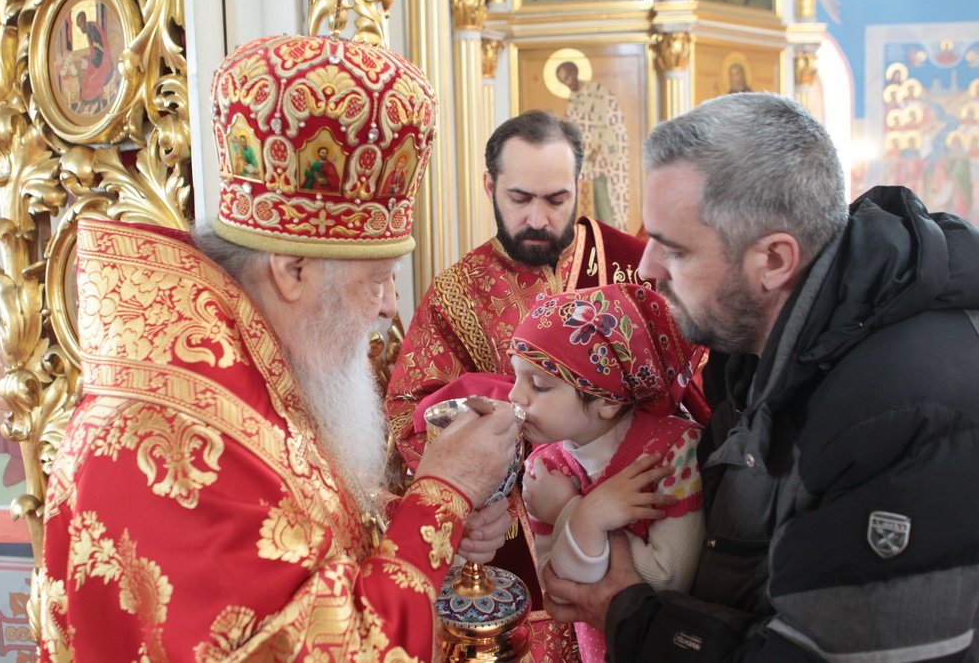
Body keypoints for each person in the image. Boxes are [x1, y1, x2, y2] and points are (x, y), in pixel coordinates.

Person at [38, 34, 522, 661]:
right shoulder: (171, 433)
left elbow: (302, 530)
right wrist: (443, 492)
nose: (389, 305)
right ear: (292, 270)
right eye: (377, 278)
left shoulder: (249, 361)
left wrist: (427, 523)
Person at [542, 91, 979, 661]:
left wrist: (632, 614)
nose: (647, 267)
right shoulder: (755, 342)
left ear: (774, 260)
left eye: (674, 250)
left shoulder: (900, 414)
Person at [385, 109, 652, 660]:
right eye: (520, 198)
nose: (537, 218)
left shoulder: (628, 267)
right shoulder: (457, 294)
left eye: (556, 200)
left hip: (635, 519)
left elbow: (681, 387)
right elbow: (409, 410)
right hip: (521, 532)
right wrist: (496, 427)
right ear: (490, 186)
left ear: (578, 186)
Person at [509, 282, 706, 663]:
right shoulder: (544, 468)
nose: (515, 396)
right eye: (515, 376)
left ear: (606, 402)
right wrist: (585, 517)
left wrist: (572, 513)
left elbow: (667, 579)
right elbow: (561, 588)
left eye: (539, 385)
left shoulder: (673, 452)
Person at [556, 60, 631, 228]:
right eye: (562, 80)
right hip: (583, 157)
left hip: (602, 156)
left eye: (567, 77)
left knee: (601, 193)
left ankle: (608, 232)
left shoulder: (597, 92)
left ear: (574, 72)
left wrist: (597, 150)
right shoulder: (574, 98)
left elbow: (607, 122)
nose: (567, 82)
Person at [74, 11, 114, 114]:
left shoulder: (93, 29)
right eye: (78, 26)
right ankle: (85, 104)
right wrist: (88, 57)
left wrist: (90, 60)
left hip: (104, 62)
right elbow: (94, 51)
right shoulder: (89, 30)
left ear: (84, 20)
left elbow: (100, 52)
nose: (80, 28)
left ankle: (95, 104)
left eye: (80, 24)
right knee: (85, 77)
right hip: (97, 61)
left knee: (92, 79)